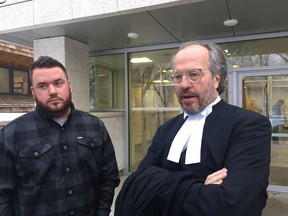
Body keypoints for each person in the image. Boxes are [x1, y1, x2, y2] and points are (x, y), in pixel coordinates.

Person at [115, 41, 272, 216]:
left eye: (194, 74)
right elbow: (134, 187)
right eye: (177, 77)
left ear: (216, 79)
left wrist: (157, 187)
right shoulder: (166, 129)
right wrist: (200, 188)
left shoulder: (249, 126)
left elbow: (231, 206)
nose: (183, 84)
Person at [0, 56, 120, 216]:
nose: (52, 91)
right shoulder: (11, 134)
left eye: (58, 83)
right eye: (42, 86)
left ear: (68, 86)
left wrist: (102, 212)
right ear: (33, 92)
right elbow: (2, 195)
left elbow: (108, 178)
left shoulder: (94, 126)